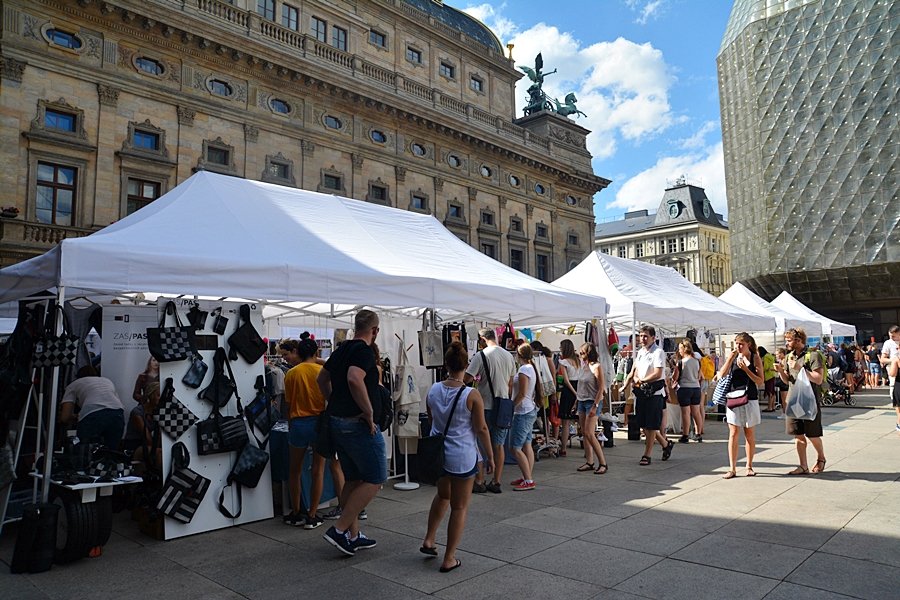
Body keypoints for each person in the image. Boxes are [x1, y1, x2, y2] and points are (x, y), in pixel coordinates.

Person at [420, 342, 494, 573]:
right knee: (459, 507)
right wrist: (490, 456)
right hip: (462, 455)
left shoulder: (433, 389)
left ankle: (429, 539)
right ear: (466, 366)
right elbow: (481, 428)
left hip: (439, 455)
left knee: (442, 495)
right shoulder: (471, 395)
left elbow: (431, 419)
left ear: (446, 365)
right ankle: (449, 557)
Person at [317, 309, 384, 555]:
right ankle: (340, 528)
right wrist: (367, 412)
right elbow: (355, 378)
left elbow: (321, 380)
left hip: (337, 422)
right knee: (375, 478)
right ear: (375, 331)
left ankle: (352, 535)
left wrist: (333, 401)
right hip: (357, 424)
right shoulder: (364, 351)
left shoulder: (341, 349)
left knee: (353, 479)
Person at [282, 337, 344, 530]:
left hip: (298, 423)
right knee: (318, 470)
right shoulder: (322, 372)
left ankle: (296, 511)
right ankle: (312, 514)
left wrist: (292, 423)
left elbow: (289, 403)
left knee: (295, 470)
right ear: (316, 353)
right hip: (319, 424)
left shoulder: (291, 374)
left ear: (298, 353)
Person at [464, 327, 516, 494]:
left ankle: (479, 481)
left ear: (482, 339)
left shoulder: (481, 356)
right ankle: (497, 481)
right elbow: (509, 383)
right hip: (503, 406)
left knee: (480, 444)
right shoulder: (508, 355)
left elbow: (467, 378)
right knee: (499, 445)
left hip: (484, 406)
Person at [775, 328, 827, 475]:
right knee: (797, 434)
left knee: (812, 434)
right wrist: (780, 371)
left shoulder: (813, 355)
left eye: (789, 340)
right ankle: (803, 465)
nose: (787, 343)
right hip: (793, 400)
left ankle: (821, 458)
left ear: (799, 341)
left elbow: (818, 378)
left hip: (809, 400)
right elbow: (787, 380)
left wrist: (800, 368)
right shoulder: (789, 356)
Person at [624, 325, 673, 466]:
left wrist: (643, 379)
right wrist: (628, 381)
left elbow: (658, 373)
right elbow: (635, 369)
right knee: (643, 425)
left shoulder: (658, 352)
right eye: (641, 336)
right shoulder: (640, 352)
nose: (643, 339)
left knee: (651, 426)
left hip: (654, 393)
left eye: (646, 336)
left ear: (653, 337)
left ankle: (647, 454)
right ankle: (665, 444)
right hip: (642, 392)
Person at [719, 333, 764, 478]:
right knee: (733, 433)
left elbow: (760, 381)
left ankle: (749, 465)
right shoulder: (733, 357)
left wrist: (746, 369)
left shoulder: (755, 357)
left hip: (749, 397)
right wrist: (730, 359)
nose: (738, 346)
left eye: (741, 344)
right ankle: (732, 468)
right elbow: (722, 374)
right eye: (736, 343)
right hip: (733, 397)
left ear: (748, 345)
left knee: (749, 433)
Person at [59, 365, 126, 450]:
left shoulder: (74, 384)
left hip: (92, 414)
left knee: (86, 451)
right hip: (117, 413)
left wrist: (75, 416)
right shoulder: (107, 381)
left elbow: (65, 417)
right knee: (111, 452)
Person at [508, 344, 539, 490]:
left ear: (518, 355)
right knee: (527, 445)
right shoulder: (531, 368)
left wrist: (511, 406)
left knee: (515, 448)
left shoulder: (523, 369)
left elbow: (522, 392)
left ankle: (528, 479)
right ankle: (527, 476)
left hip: (522, 411)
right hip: (528, 409)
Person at [574, 343, 608, 474]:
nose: (581, 355)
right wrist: (576, 402)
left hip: (592, 402)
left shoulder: (596, 367)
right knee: (584, 433)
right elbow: (581, 386)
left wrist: (595, 405)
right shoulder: (584, 366)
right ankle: (590, 461)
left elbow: (601, 388)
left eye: (583, 353)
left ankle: (603, 462)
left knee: (589, 433)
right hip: (582, 401)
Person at [673, 339, 702, 444]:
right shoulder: (697, 361)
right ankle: (698, 433)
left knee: (685, 413)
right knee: (696, 412)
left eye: (680, 349)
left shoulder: (680, 362)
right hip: (696, 388)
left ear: (684, 349)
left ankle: (685, 435)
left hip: (684, 388)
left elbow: (675, 377)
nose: (679, 351)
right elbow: (700, 376)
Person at [557, 339, 581, 456]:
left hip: (569, 391)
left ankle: (563, 448)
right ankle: (588, 449)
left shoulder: (563, 362)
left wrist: (574, 392)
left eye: (561, 347)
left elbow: (566, 380)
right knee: (582, 421)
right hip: (580, 387)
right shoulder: (579, 361)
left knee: (565, 422)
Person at [759, 347, 777, 412]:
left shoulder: (765, 357)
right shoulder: (770, 355)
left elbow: (765, 367)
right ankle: (773, 406)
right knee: (773, 392)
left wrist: (760, 369)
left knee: (769, 392)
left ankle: (769, 407)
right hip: (772, 374)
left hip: (768, 375)